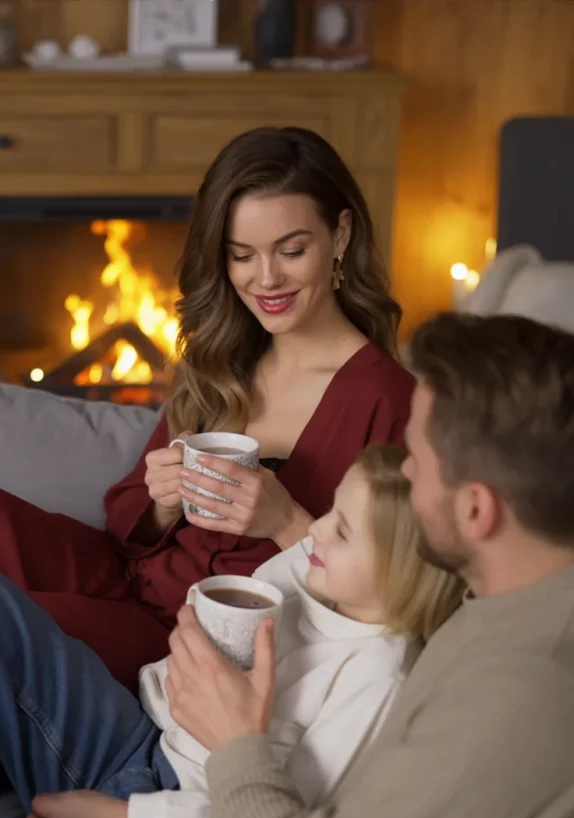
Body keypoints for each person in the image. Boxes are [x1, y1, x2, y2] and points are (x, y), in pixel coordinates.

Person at [162, 312, 574, 818]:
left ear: (476, 510)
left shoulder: (519, 697)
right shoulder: (514, 600)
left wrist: (236, 742)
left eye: (414, 461)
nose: (402, 471)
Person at [0, 445, 462, 818]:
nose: (314, 525)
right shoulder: (303, 569)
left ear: (403, 570)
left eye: (341, 529)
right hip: (145, 749)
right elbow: (186, 680)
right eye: (330, 511)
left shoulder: (376, 678)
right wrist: (186, 661)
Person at [0, 126, 413, 690]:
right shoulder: (226, 356)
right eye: (242, 255)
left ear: (340, 235)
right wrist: (162, 501)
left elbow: (393, 594)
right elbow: (127, 524)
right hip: (126, 576)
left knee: (14, 630)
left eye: (292, 250)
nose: (266, 279)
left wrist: (287, 522)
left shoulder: (389, 400)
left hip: (192, 639)